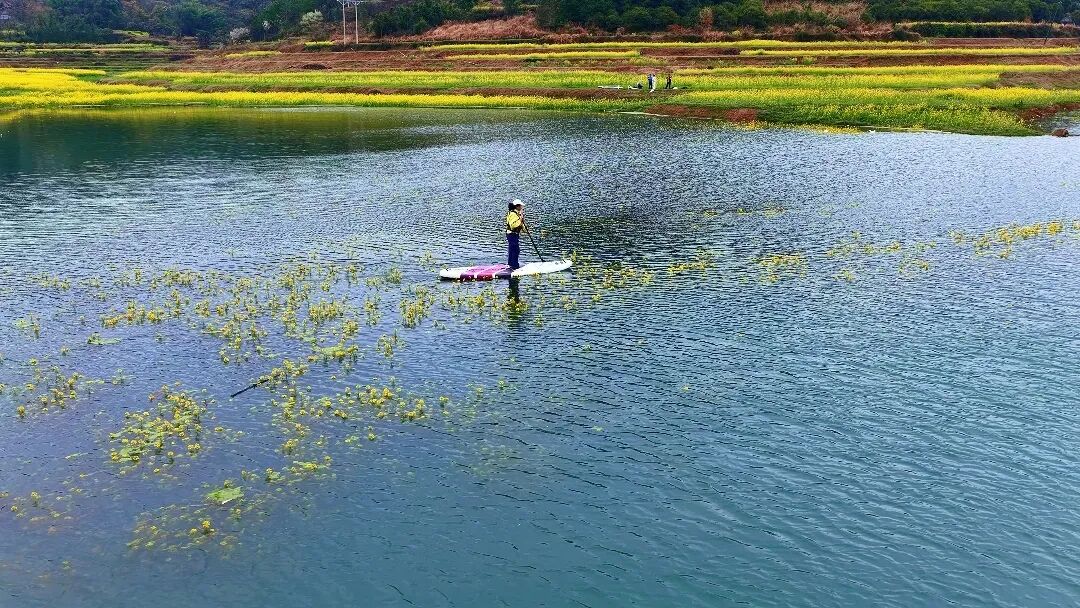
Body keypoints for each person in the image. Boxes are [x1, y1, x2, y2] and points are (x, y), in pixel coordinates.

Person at [506, 199, 528, 270]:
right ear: (517, 206)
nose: (522, 207)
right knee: (515, 250)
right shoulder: (513, 214)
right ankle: (514, 266)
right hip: (511, 234)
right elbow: (513, 225)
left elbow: (521, 224)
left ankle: (511, 264)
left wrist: (526, 230)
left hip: (515, 234)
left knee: (513, 249)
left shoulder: (517, 213)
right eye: (521, 206)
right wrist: (520, 219)